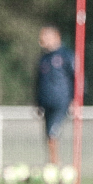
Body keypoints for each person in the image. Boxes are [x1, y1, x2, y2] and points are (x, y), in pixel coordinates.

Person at [34, 25, 76, 165]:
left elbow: (76, 77)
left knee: (53, 133)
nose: (43, 40)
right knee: (48, 135)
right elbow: (38, 82)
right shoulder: (44, 58)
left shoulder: (66, 55)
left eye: (46, 37)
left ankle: (54, 165)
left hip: (61, 101)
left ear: (56, 36)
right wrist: (38, 103)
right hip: (46, 102)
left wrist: (75, 100)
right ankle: (52, 163)